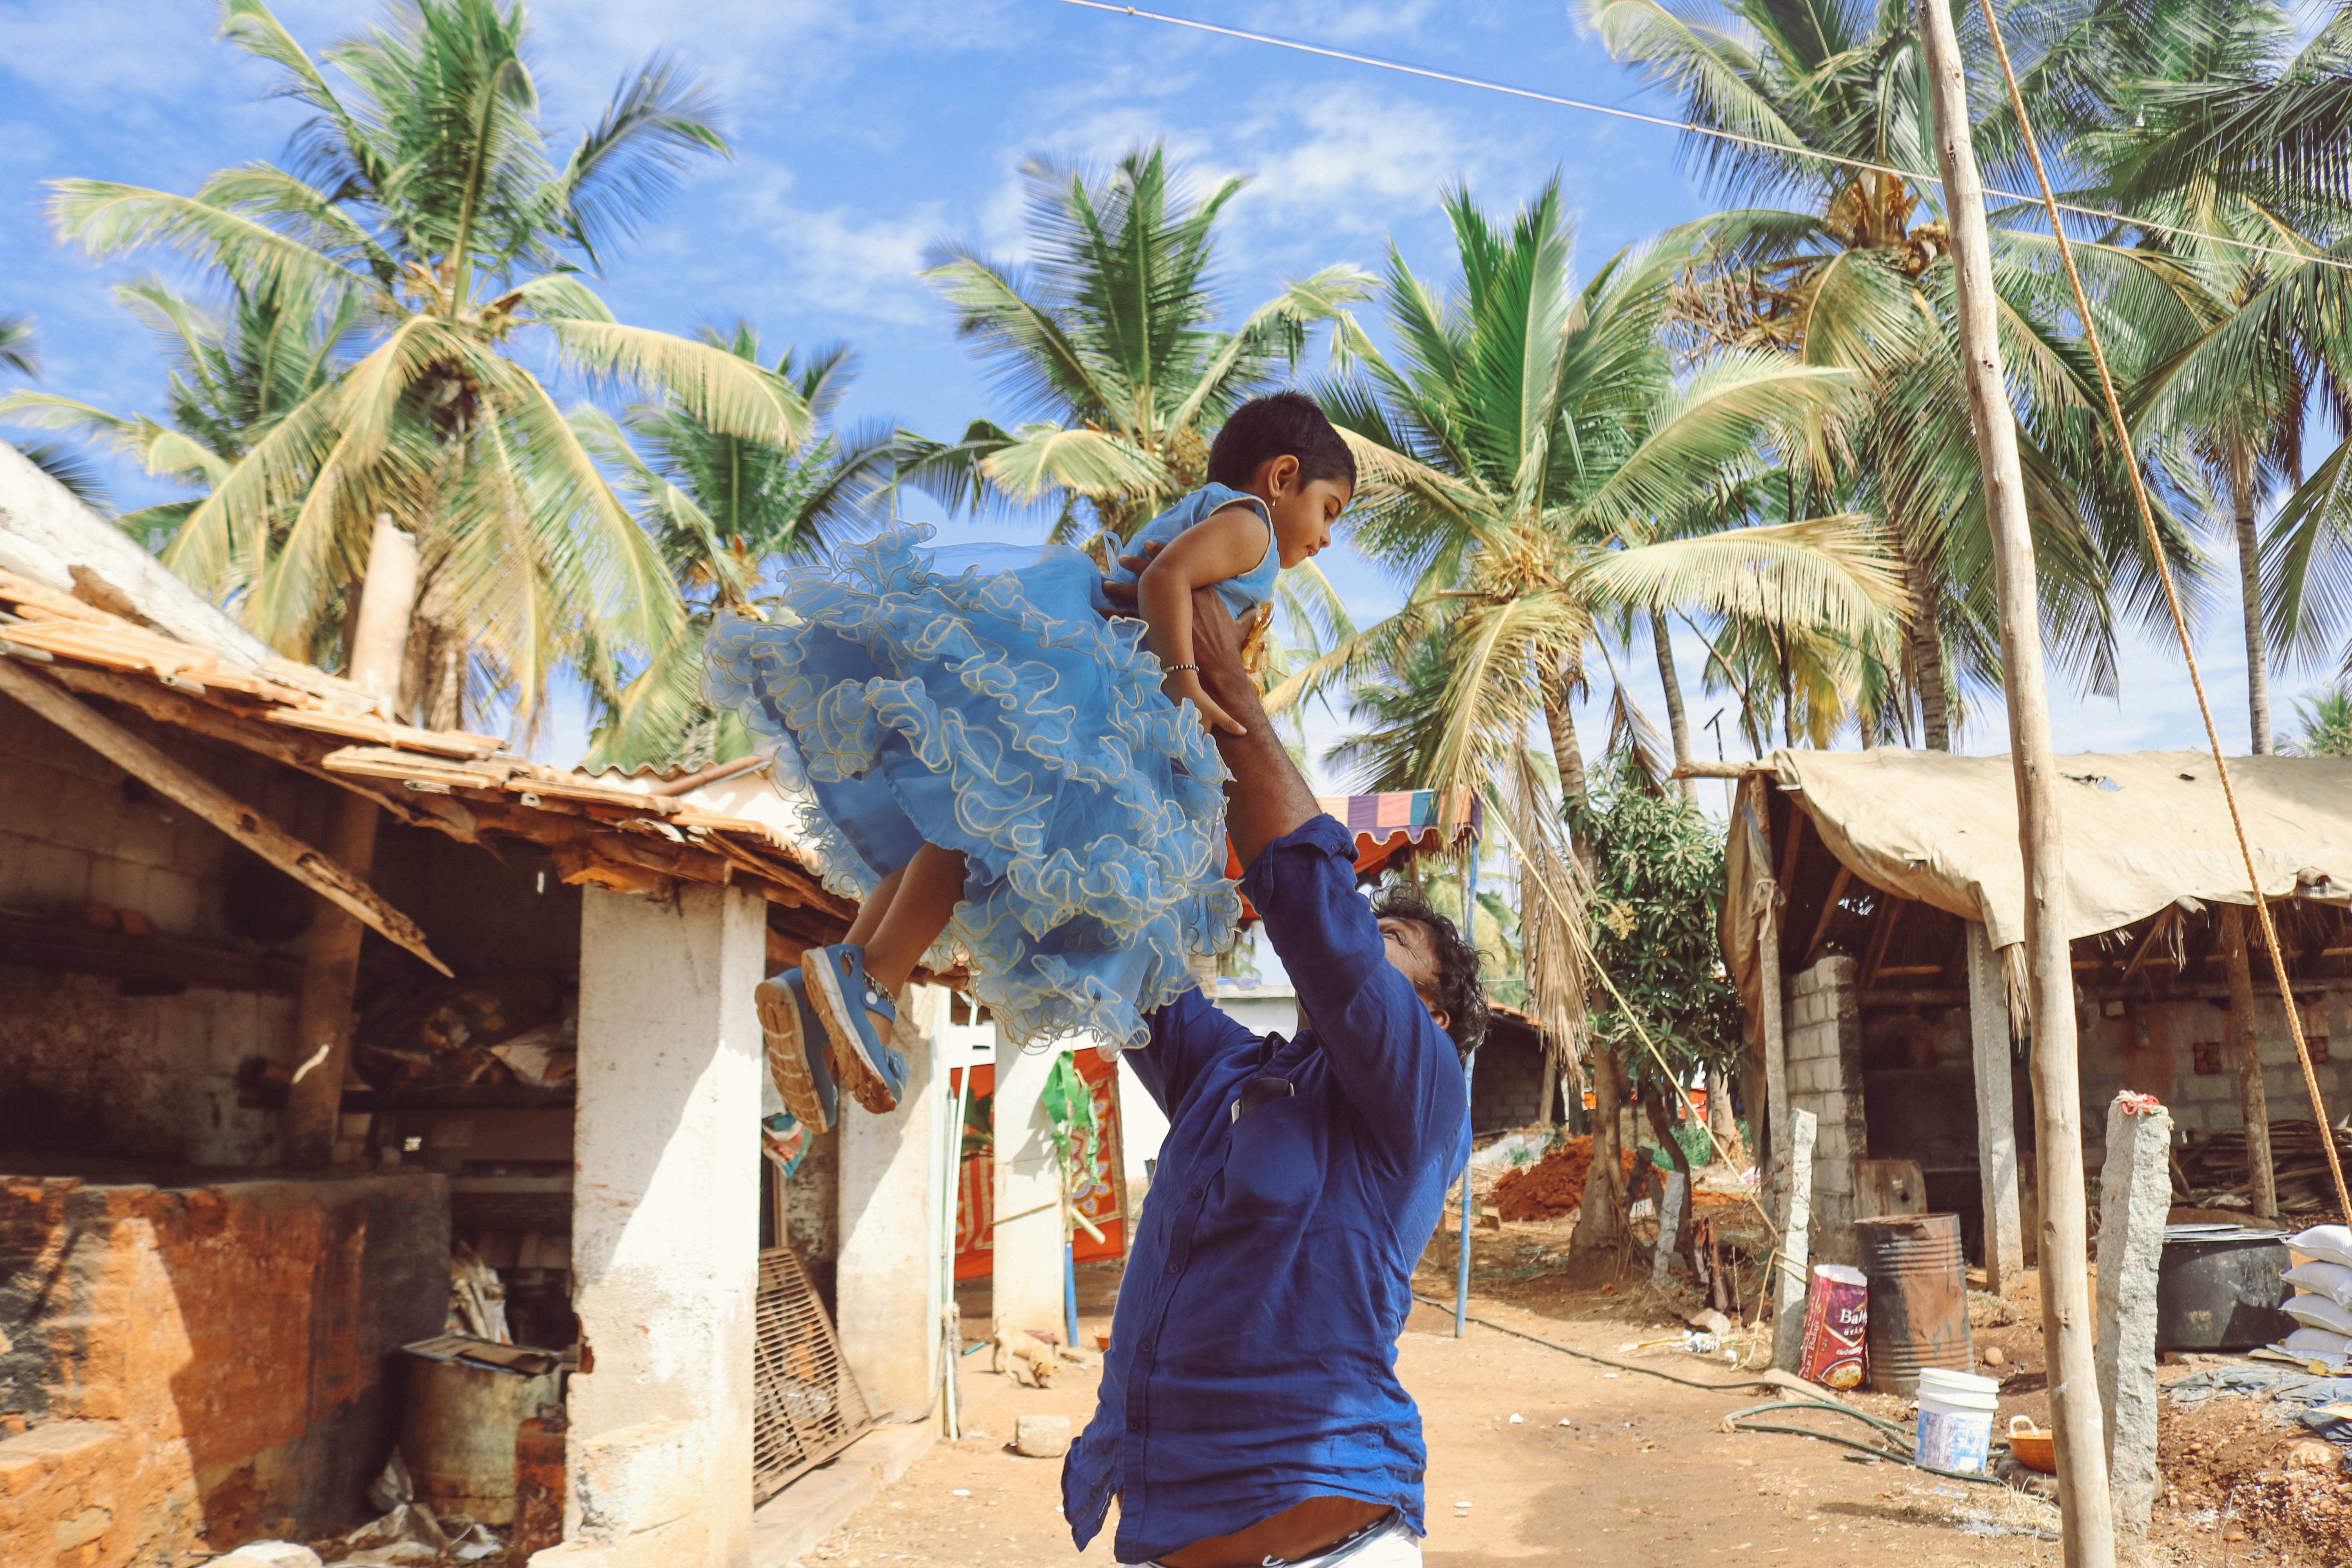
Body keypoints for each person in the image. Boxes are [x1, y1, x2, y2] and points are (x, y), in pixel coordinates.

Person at [701, 392, 1354, 1131]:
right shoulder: (1253, 529)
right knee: (985, 845)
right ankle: (874, 989)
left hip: (1069, 666)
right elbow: (1164, 579)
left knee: (951, 831)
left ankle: (830, 989)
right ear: (1283, 476)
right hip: (1096, 699)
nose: (1328, 537)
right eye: (1330, 510)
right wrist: (1186, 680)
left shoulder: (1214, 512)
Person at [1065, 559, 1485, 1568]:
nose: (1363, 943)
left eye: (1394, 945)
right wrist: (1093, 761)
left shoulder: (1419, 1101)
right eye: (1371, 927)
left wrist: (1230, 691)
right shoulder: (1233, 1075)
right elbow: (1129, 966)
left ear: (1425, 1013)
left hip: (1335, 1549)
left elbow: (1322, 922)